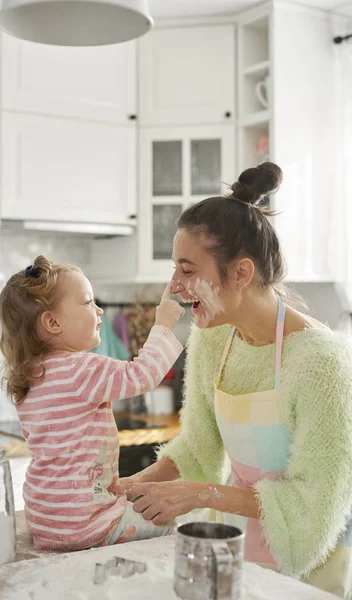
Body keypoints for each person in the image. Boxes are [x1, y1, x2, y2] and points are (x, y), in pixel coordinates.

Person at [113, 163, 352, 598]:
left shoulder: (323, 363)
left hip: (310, 560)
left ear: (241, 273)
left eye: (187, 271)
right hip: (234, 541)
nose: (174, 287)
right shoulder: (215, 337)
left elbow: (314, 503)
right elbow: (198, 446)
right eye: (175, 269)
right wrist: (132, 486)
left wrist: (202, 493)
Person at [0, 256, 184, 551]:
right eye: (87, 302)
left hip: (46, 521)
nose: (99, 311)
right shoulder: (80, 368)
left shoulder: (31, 374)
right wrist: (163, 325)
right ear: (53, 322)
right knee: (169, 526)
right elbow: (142, 375)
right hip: (87, 524)